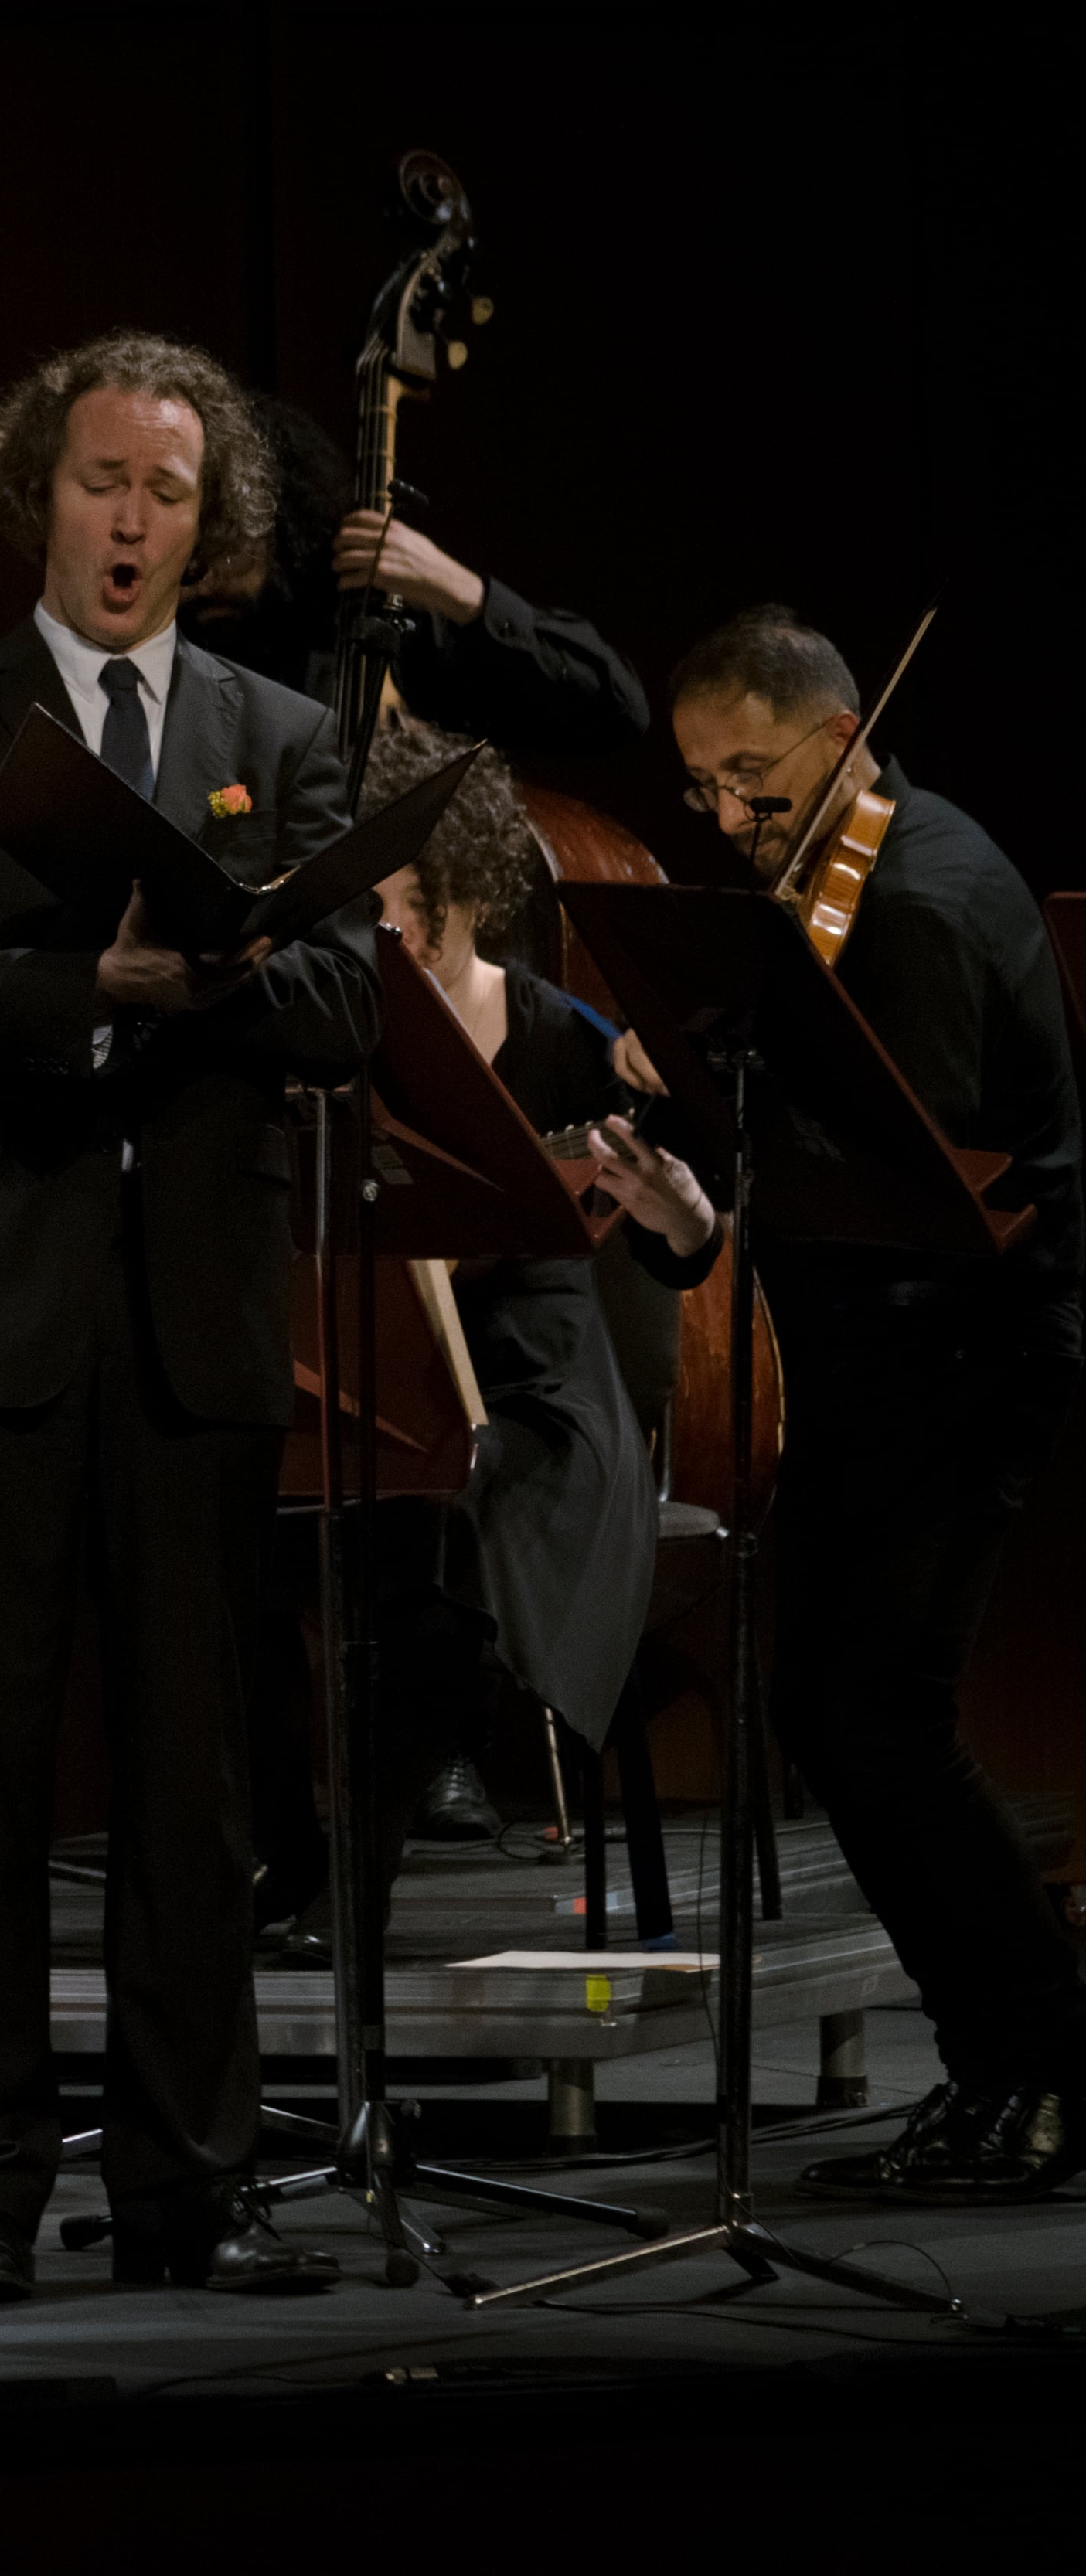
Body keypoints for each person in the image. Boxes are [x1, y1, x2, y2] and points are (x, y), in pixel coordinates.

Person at [0, 332, 376, 2305]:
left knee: (193, 1784)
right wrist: (108, 982)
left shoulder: (278, 727)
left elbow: (342, 1007)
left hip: (197, 1325)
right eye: (97, 480)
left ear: (205, 519)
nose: (129, 517)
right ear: (37, 495)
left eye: (165, 488)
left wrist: (211, 975)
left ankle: (190, 2188)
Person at [655, 608, 1085, 2203]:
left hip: (962, 1355)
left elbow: (911, 1188)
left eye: (750, 780)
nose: (725, 819)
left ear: (838, 742)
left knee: (877, 1710)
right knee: (828, 1712)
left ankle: (1037, 2062)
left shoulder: (917, 901)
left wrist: (726, 1144)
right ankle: (1006, 2057)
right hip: (877, 1355)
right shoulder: (832, 874)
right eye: (701, 787)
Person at [315, 714, 714, 1954]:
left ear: (469, 891)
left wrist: (684, 1216)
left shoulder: (568, 1044)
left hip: (545, 1389)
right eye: (366, 913)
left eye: (404, 908)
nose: (388, 940)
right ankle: (312, 1851)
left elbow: (678, 1242)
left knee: (456, 1502)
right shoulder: (340, 1034)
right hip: (384, 1373)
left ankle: (368, 1860)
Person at [187, 400, 650, 763]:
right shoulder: (182, 644)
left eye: (225, 544)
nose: (199, 578)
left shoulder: (379, 625)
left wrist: (462, 591)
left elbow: (616, 708)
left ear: (280, 522)